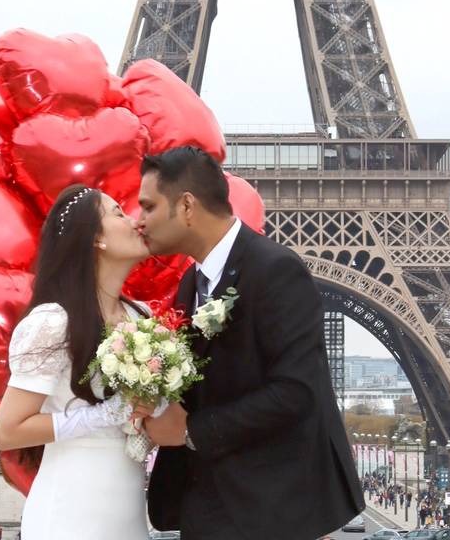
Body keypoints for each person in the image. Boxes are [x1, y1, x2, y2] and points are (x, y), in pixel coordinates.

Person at [138, 147, 364, 539]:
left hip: (268, 509)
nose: (139, 221)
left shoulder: (275, 269)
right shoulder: (191, 283)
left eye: (149, 206)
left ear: (187, 206)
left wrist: (189, 430)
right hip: (211, 504)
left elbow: (296, 391)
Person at [0, 185, 156, 539]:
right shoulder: (53, 322)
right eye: (118, 213)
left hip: (128, 515)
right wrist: (105, 415)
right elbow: (7, 431)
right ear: (96, 238)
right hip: (69, 512)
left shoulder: (142, 318)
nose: (134, 222)